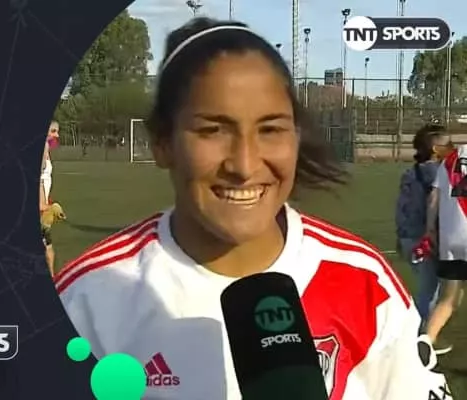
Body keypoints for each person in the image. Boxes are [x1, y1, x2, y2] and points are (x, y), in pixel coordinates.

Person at [54, 18, 450, 399]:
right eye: (212, 130)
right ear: (162, 142)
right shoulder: (89, 299)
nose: (244, 165)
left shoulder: (365, 282)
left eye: (270, 129)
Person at [395, 124, 451, 325]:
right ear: (436, 149)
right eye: (448, 145)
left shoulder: (410, 173)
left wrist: (401, 236)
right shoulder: (438, 173)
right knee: (430, 291)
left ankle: (421, 329)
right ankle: (419, 333)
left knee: (430, 288)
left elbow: (402, 208)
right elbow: (435, 206)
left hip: (408, 237)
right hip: (425, 240)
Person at [418, 142, 467, 367]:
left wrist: (430, 229)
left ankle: (427, 340)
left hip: (451, 239)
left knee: (448, 298)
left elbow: (434, 198)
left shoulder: (450, 160)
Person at [41, 121, 60, 275]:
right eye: (53, 131)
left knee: (48, 247)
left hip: (43, 207)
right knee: (47, 247)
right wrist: (49, 207)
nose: (56, 135)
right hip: (41, 210)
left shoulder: (46, 148)